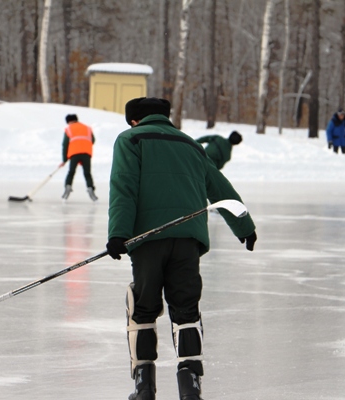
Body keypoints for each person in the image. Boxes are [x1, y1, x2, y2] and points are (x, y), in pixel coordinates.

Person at [106, 97, 257, 400]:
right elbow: (220, 188)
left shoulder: (130, 139)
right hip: (188, 240)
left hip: (148, 240)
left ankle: (143, 386)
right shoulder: (190, 144)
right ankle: (191, 388)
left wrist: (118, 234)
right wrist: (245, 226)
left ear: (134, 119)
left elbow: (124, 186)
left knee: (143, 308)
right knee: (186, 309)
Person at [61, 114, 98, 201]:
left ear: (69, 121)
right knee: (87, 173)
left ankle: (68, 186)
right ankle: (90, 188)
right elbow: (93, 140)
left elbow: (65, 144)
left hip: (74, 153)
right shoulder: (87, 128)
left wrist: (64, 159)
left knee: (71, 172)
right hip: (86, 153)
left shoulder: (69, 128)